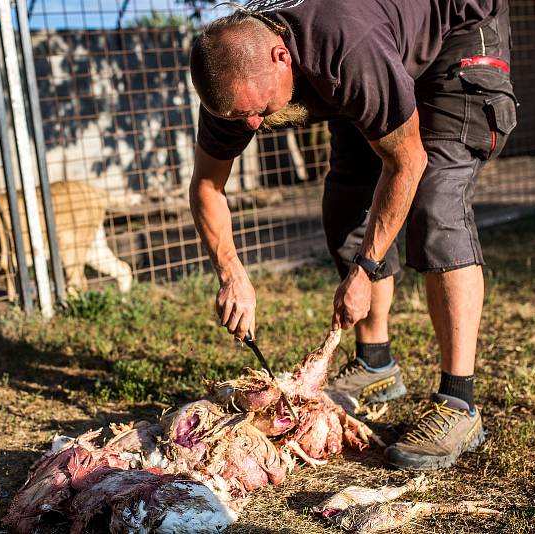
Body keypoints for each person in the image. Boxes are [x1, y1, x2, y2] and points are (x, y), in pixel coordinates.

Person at [187, 0, 517, 470]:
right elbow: (206, 185)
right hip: (383, 49)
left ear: (281, 56)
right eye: (241, 117)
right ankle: (377, 363)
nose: (253, 126)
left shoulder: (345, 47)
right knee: (348, 202)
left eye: (258, 109)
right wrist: (230, 272)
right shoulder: (232, 81)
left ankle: (458, 401)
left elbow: (407, 162)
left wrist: (364, 269)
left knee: (435, 201)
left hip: (457, 30)